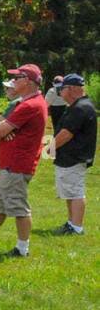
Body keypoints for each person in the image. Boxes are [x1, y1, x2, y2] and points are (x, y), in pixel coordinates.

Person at [0, 64, 49, 257]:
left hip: (16, 165)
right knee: (0, 205)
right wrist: (5, 129)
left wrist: (5, 130)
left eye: (17, 78)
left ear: (28, 81)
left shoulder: (29, 105)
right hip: (10, 164)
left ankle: (22, 248)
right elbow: (1, 127)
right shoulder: (26, 102)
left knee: (18, 208)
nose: (13, 82)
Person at [52, 73, 95, 236]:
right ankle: (71, 222)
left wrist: (49, 148)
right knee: (69, 191)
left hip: (75, 157)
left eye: (61, 89)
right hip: (69, 157)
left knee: (76, 192)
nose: (60, 93)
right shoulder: (77, 106)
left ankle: (77, 227)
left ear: (70, 89)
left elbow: (66, 134)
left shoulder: (80, 108)